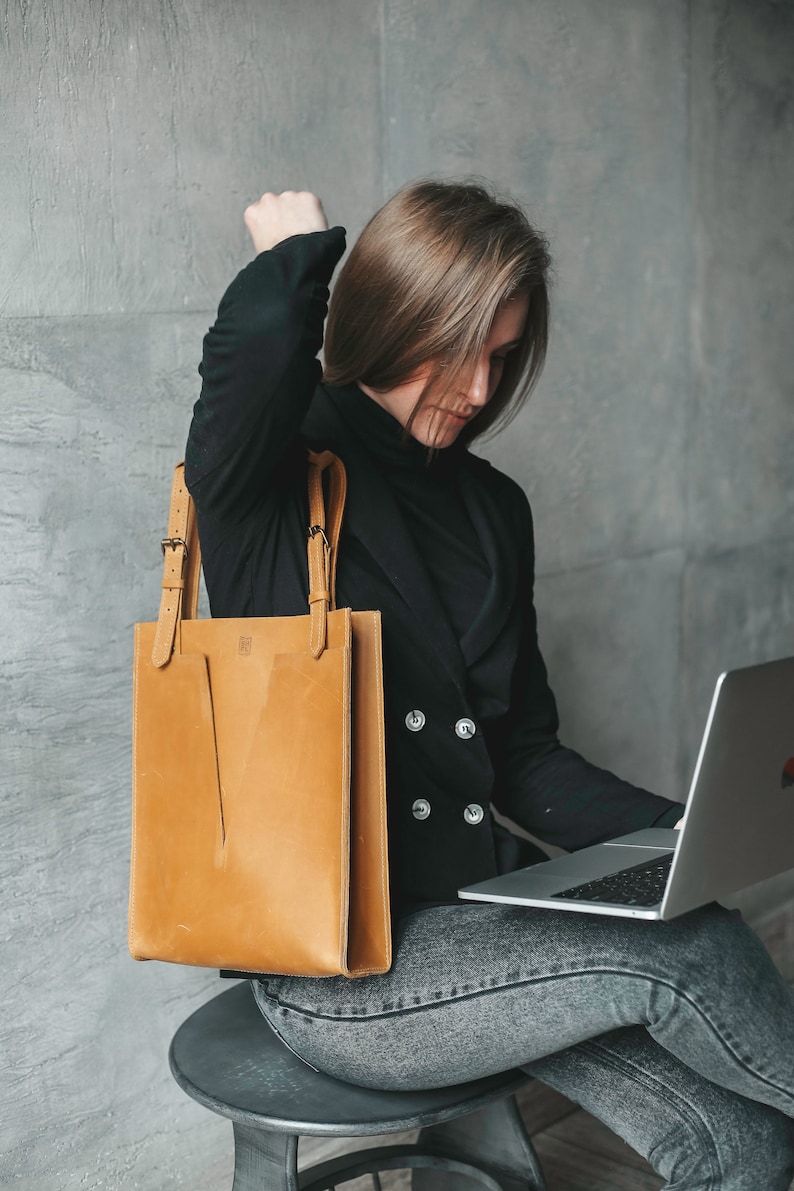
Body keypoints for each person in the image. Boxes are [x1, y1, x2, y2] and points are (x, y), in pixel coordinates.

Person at [185, 181, 794, 1189]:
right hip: (342, 974)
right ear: (391, 318)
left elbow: (521, 756)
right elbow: (246, 356)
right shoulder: (268, 475)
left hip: (481, 921)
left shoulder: (491, 509)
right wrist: (293, 254)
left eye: (501, 356)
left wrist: (688, 834)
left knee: (745, 1145)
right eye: (454, 348)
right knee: (693, 951)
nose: (476, 388)